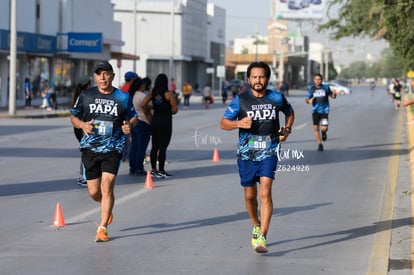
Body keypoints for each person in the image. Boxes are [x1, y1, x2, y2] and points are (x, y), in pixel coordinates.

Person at [219, 61, 295, 253]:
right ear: (248, 79)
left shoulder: (276, 97)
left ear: (267, 78)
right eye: (254, 77)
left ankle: (262, 236)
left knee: (265, 191)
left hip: (269, 149)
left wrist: (286, 129)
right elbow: (223, 123)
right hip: (247, 152)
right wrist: (238, 124)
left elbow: (290, 112)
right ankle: (255, 224)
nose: (258, 80)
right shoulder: (241, 100)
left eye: (261, 76)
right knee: (250, 195)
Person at [70, 61, 138, 242]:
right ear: (94, 77)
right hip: (90, 147)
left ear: (112, 76)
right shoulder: (86, 95)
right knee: (94, 192)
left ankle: (102, 228)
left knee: (107, 185)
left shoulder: (123, 97)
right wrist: (82, 124)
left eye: (106, 73)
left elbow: (133, 118)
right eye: (99, 74)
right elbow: (73, 117)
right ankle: (105, 207)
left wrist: (129, 126)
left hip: (113, 147)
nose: (102, 77)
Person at [141, 73, 178, 178]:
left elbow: (143, 104)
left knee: (154, 146)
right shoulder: (169, 94)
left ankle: (153, 169)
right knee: (163, 147)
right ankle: (161, 170)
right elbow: (175, 110)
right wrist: (167, 111)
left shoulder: (152, 94)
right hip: (165, 122)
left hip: (155, 121)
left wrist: (151, 109)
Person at [305, 73, 336, 152]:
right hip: (315, 111)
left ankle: (324, 133)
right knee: (316, 128)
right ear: (314, 80)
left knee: (324, 128)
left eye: (319, 79)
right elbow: (307, 99)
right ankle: (320, 144)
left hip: (324, 111)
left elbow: (332, 96)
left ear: (321, 80)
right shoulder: (312, 89)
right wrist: (309, 101)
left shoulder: (326, 88)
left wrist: (334, 94)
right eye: (316, 79)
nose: (318, 81)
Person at [128, 76, 152, 176]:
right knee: (141, 147)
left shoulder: (131, 95)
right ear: (140, 85)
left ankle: (132, 168)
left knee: (134, 146)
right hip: (143, 122)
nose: (144, 86)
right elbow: (148, 107)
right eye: (142, 85)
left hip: (133, 122)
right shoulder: (142, 96)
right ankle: (139, 168)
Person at [71, 75, 92, 187]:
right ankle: (84, 176)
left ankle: (83, 175)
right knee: (86, 152)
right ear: (87, 84)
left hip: (79, 127)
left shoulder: (77, 95)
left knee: (86, 151)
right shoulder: (85, 96)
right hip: (83, 126)